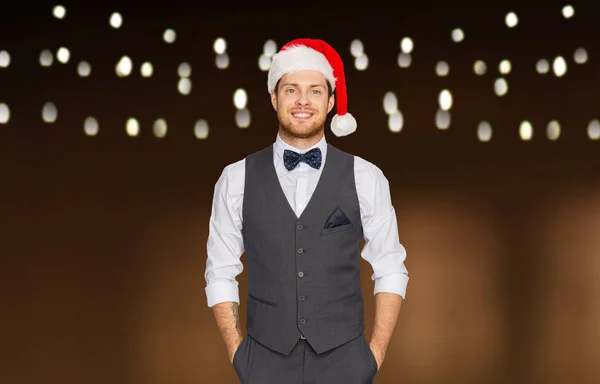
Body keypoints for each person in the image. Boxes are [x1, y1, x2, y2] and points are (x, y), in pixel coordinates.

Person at [204, 38, 409, 384]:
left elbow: (390, 266)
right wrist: (238, 352)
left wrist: (374, 354)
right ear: (273, 97)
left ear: (331, 102)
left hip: (345, 362)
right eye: (291, 90)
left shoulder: (366, 176)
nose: (302, 101)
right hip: (263, 363)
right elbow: (219, 271)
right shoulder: (235, 178)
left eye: (315, 91)